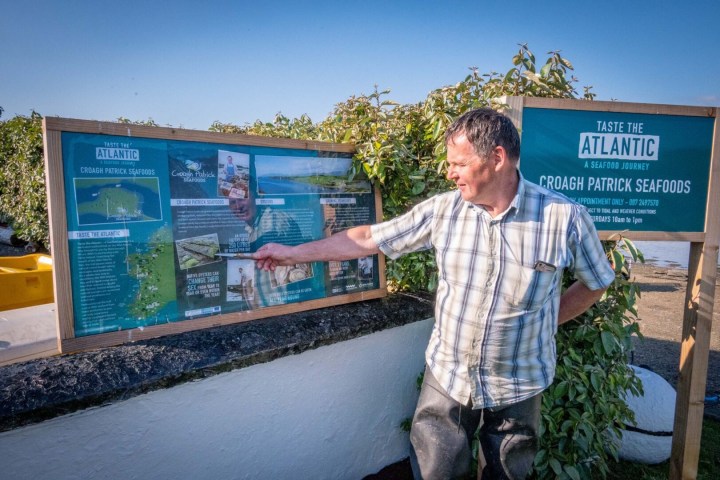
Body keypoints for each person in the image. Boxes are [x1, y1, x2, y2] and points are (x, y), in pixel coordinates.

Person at [253, 108, 615, 479]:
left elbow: (597, 280)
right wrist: (293, 254)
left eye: (458, 163)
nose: (449, 173)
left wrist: (546, 319)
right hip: (448, 378)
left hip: (520, 383)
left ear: (497, 158)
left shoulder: (565, 218)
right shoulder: (444, 210)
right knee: (434, 472)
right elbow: (368, 238)